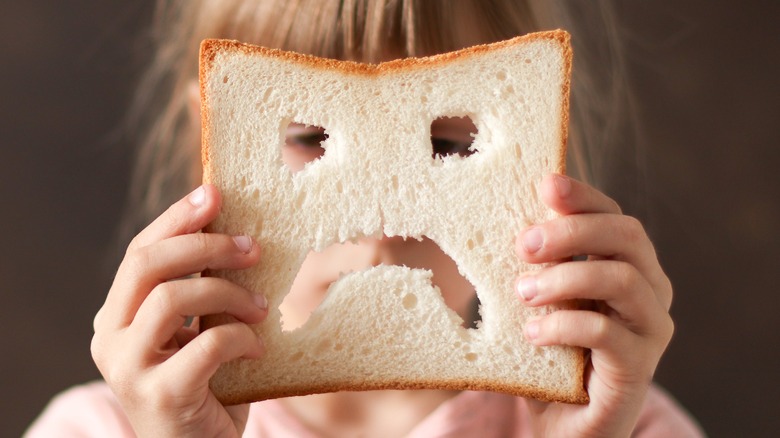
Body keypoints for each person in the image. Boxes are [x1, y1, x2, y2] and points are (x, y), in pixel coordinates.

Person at [27, 0, 705, 436]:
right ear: (213, 142)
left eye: (449, 143)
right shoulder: (104, 427)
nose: (381, 225)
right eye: (309, 138)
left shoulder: (624, 423)